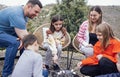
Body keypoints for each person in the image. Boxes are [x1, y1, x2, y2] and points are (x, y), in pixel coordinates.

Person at [0, 0, 43, 77]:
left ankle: (27, 68)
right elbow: (28, 40)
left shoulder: (24, 15)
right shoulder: (16, 14)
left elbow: (23, 33)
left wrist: (22, 38)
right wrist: (38, 60)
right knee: (15, 43)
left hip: (6, 33)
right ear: (29, 7)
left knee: (24, 44)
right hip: (1, 33)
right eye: (36, 12)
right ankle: (6, 74)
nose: (37, 15)